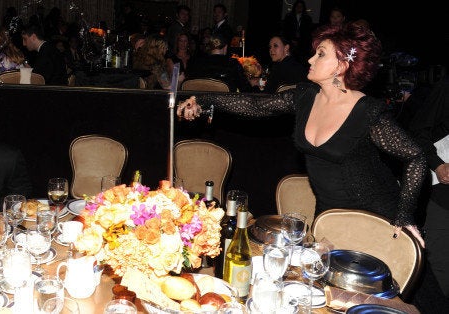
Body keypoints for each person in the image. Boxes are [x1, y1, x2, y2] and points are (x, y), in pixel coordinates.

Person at [177, 23, 426, 247]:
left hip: (375, 218)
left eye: (320, 54)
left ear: (341, 65)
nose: (310, 60)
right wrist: (203, 98)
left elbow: (415, 156)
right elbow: (255, 104)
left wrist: (404, 216)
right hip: (328, 219)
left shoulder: (368, 112)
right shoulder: (305, 96)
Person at [409, 76, 449, 297]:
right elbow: (418, 131)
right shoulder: (446, 86)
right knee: (440, 271)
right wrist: (438, 165)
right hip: (444, 198)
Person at [186, 34, 251, 93]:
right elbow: (245, 89)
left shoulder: (196, 62)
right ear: (225, 47)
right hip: (225, 103)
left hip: (199, 103)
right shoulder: (232, 63)